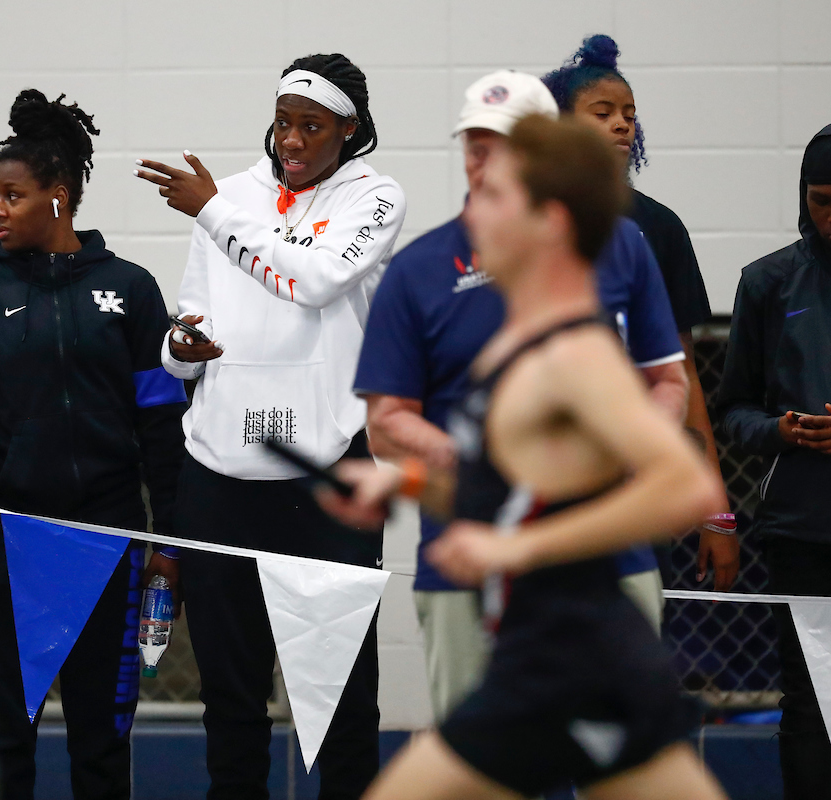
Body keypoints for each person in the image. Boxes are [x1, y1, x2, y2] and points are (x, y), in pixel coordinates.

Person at [332, 115, 728, 800]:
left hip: (586, 659)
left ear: (549, 221)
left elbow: (684, 487)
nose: (473, 203)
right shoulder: (516, 346)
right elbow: (523, 492)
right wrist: (409, 487)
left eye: (496, 195)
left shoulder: (574, 354)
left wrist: (516, 551)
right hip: (536, 660)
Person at [134, 53, 407, 799]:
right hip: (221, 477)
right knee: (230, 696)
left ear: (348, 130)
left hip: (324, 482)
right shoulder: (226, 198)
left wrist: (212, 212)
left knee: (342, 700)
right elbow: (189, 326)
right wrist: (181, 346)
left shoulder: (374, 198)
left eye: (310, 126)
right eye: (284, 122)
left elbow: (313, 282)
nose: (290, 139)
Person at [0, 89, 186, 800]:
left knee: (101, 741)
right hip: (5, 537)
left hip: (106, 539)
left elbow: (161, 424)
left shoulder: (130, 289)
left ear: (59, 198)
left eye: (12, 196)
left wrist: (172, 540)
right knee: (6, 734)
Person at [543, 33, 738, 591]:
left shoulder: (660, 228)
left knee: (632, 653)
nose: (622, 125)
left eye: (629, 114)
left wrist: (716, 510)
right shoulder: (522, 219)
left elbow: (681, 372)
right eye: (602, 113)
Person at [715, 123, 831, 800]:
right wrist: (782, 430)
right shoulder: (768, 282)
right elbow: (732, 411)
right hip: (801, 530)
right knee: (811, 701)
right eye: (822, 200)